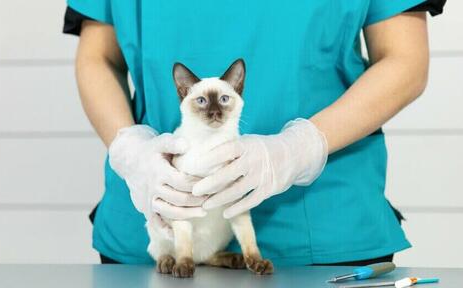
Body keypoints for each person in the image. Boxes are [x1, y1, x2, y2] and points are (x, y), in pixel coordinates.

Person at [63, 0, 446, 265]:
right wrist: (132, 151)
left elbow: (405, 59)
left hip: (323, 229)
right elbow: (98, 58)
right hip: (154, 226)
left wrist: (302, 147)